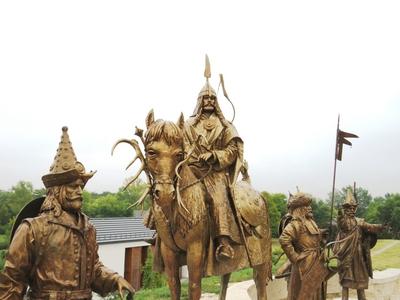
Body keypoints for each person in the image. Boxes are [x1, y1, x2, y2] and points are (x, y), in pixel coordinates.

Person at [0, 127, 134, 300]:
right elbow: (12, 279)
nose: (79, 191)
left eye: (81, 186)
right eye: (73, 186)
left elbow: (93, 270)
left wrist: (114, 279)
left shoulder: (88, 228)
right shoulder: (33, 229)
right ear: (57, 191)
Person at [183, 57, 243, 261]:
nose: (208, 101)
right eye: (205, 98)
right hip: (192, 169)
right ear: (199, 101)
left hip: (215, 173)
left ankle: (223, 242)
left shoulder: (225, 126)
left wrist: (215, 155)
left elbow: (233, 149)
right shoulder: (188, 124)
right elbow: (182, 145)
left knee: (218, 197)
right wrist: (194, 155)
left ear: (216, 102)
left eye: (212, 98)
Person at [333, 189, 387, 300]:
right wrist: (339, 214)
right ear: (345, 209)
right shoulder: (344, 221)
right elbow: (340, 221)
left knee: (360, 280)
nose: (352, 210)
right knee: (345, 282)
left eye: (354, 208)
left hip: (358, 255)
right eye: (349, 208)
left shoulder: (359, 221)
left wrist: (380, 226)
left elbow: (370, 226)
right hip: (345, 255)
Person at [279, 192, 328, 300]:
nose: (310, 208)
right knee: (303, 292)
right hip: (304, 263)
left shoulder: (311, 222)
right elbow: (284, 239)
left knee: (315, 290)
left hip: (316, 260)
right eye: (306, 206)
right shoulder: (296, 224)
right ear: (300, 209)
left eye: (310, 205)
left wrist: (320, 234)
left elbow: (311, 238)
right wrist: (295, 257)